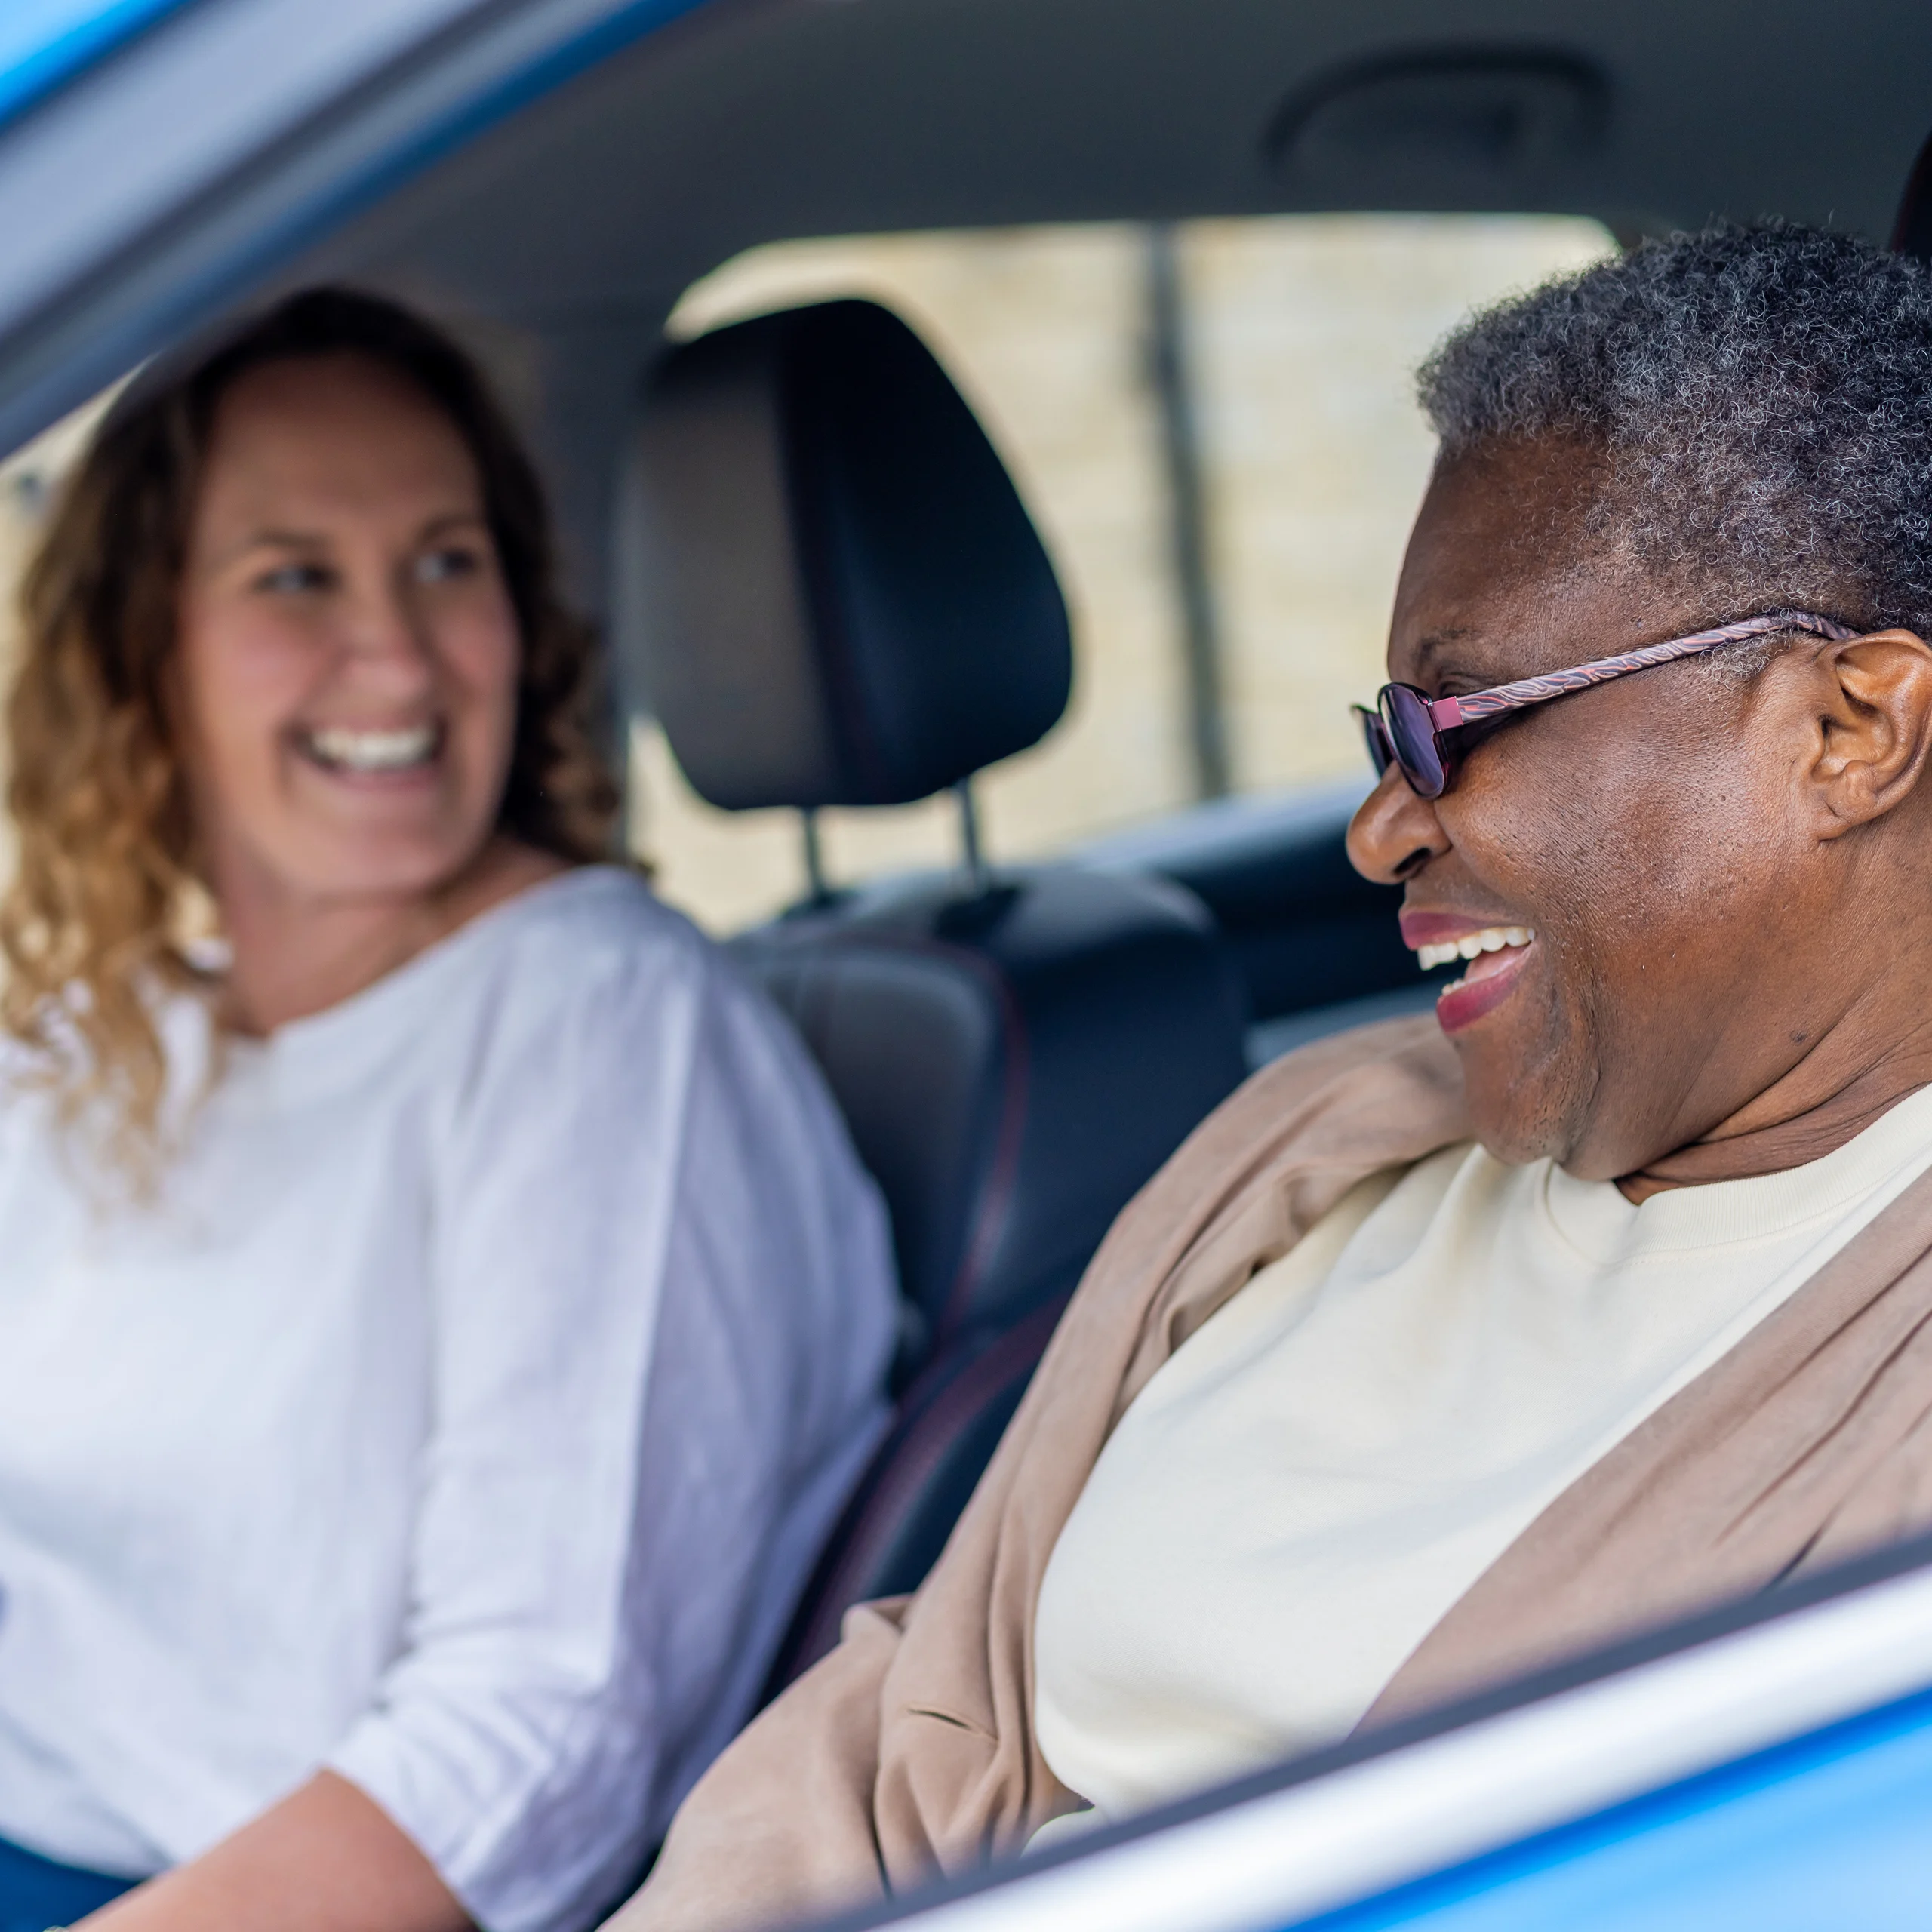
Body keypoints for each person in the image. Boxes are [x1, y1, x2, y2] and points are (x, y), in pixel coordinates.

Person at [611, 221, 1932, 1932]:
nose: (1378, 826)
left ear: (1850, 729)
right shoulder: (1312, 1144)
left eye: (1456, 726)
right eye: (1380, 739)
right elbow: (917, 1713)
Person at [0, 288, 898, 1932]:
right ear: (145, 647)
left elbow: (537, 1729)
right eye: (296, 575)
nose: (397, 654)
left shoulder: (594, 1020)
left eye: (444, 559)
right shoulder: (96, 1036)